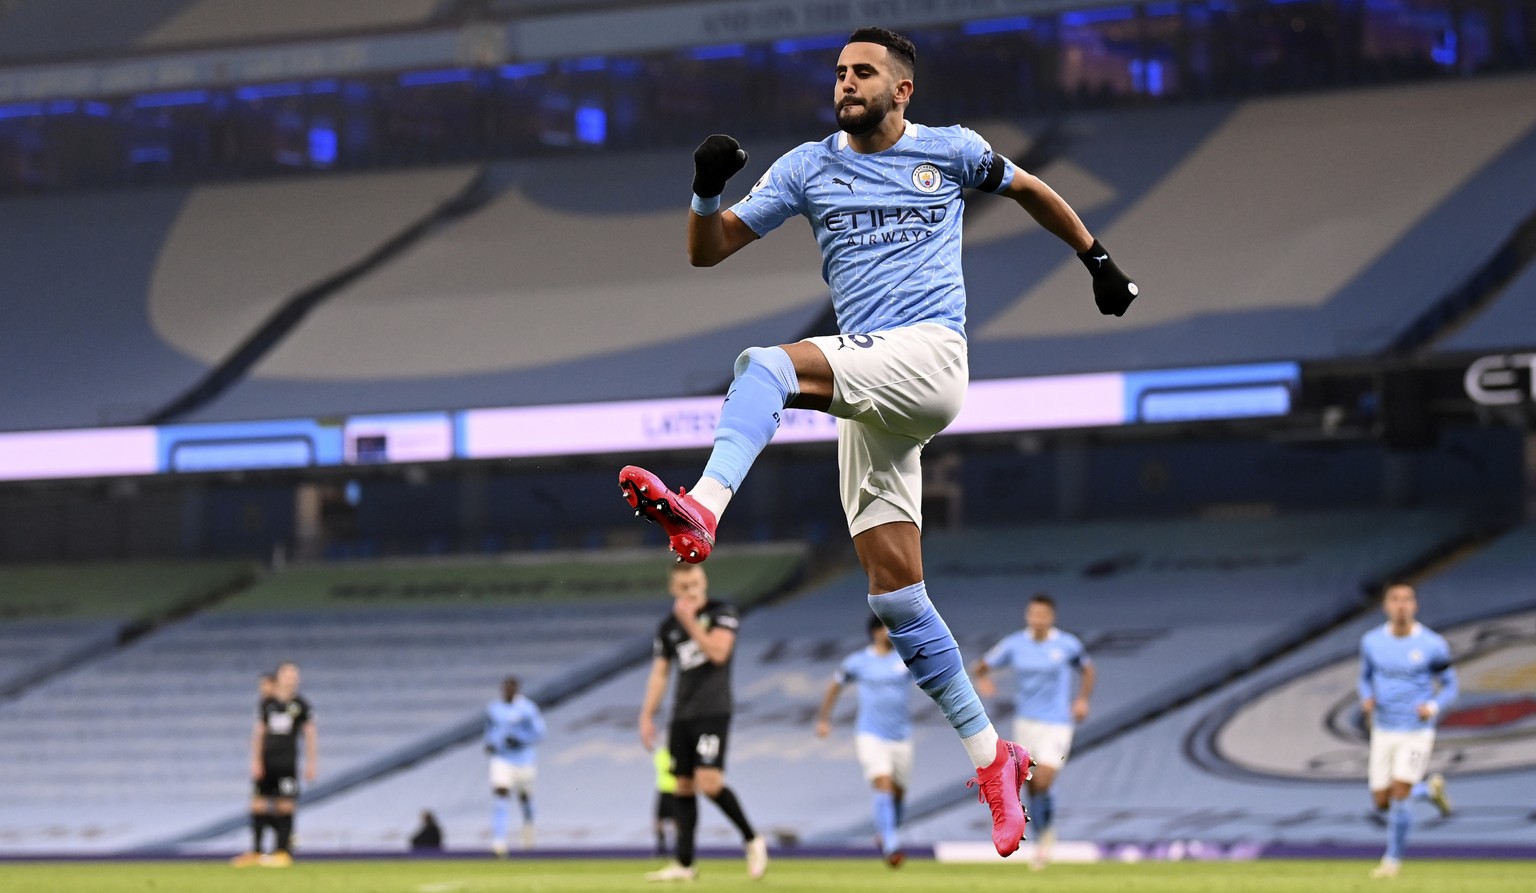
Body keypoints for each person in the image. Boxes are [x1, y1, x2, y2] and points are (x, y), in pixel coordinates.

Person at [617, 25, 1138, 857]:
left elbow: (1033, 188)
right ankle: (992, 757)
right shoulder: (805, 166)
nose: (845, 84)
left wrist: (1097, 257)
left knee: (764, 365)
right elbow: (707, 251)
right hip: (873, 392)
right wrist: (706, 189)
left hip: (929, 357)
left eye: (863, 73)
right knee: (895, 595)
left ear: (902, 90)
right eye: (838, 73)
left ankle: (703, 511)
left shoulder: (952, 152)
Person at [638, 563, 768, 882]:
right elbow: (660, 673)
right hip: (682, 714)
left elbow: (719, 653)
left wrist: (691, 623)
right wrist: (646, 715)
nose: (691, 591)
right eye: (684, 587)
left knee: (708, 783)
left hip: (714, 710)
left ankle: (753, 839)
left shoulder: (723, 612)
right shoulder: (668, 626)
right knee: (682, 785)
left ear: (705, 581)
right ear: (673, 589)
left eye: (695, 584)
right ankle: (685, 864)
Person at [972, 593, 1095, 870]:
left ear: (1051, 617)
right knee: (1030, 784)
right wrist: (983, 681)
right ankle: (1043, 836)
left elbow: (1087, 670)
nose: (1037, 620)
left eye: (1042, 615)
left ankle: (1045, 834)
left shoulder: (1067, 644)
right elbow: (980, 666)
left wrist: (1082, 699)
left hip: (1057, 723)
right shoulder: (1015, 644)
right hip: (1025, 724)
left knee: (1043, 780)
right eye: (1033, 614)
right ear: (1028, 616)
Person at [1358, 582, 1457, 879]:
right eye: (1395, 599)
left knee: (1400, 791)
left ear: (1415, 606)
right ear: (1386, 606)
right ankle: (1428, 791)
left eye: (1407, 599)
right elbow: (1364, 677)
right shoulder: (1372, 642)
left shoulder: (1432, 644)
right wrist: (1366, 697)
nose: (1401, 605)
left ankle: (1392, 862)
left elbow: (1452, 684)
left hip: (1416, 730)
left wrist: (1434, 706)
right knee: (1381, 800)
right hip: (1384, 729)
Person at [815, 614, 916, 867]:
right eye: (887, 628)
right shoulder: (858, 661)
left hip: (901, 736)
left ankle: (886, 833)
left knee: (899, 793)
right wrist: (824, 719)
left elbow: (931, 679)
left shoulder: (905, 659)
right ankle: (892, 845)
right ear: (875, 632)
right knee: (883, 782)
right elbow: (834, 685)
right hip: (870, 734)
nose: (892, 632)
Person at [232, 661, 316, 868]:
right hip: (266, 762)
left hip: (287, 763)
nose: (291, 679)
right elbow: (259, 733)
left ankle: (282, 851)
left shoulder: (301, 705)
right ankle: (257, 851)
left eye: (294, 675)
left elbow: (310, 734)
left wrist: (312, 762)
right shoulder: (266, 704)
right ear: (278, 678)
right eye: (287, 675)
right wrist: (255, 760)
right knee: (258, 804)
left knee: (285, 805)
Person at [483, 675, 546, 854]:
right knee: (500, 794)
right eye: (506, 688)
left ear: (517, 690)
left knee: (524, 797)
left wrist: (520, 740)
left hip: (524, 759)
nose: (508, 692)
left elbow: (540, 733)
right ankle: (499, 841)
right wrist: (489, 742)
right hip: (502, 759)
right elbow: (490, 728)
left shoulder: (527, 709)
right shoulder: (494, 708)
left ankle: (528, 828)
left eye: (512, 689)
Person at [653, 739, 678, 857]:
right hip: (664, 790)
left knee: (677, 819)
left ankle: (679, 845)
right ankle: (661, 845)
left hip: (676, 790)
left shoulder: (677, 752)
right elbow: (669, 768)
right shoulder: (662, 753)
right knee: (659, 819)